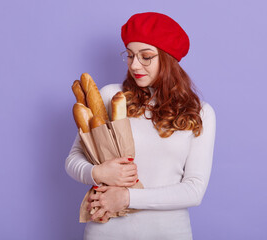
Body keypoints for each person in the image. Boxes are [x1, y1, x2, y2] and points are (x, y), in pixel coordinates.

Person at [65, 12, 216, 240]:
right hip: (105, 232)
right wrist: (97, 172)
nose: (135, 65)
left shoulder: (200, 112)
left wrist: (127, 198)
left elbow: (193, 190)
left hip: (169, 233)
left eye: (146, 57)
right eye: (130, 55)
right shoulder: (110, 96)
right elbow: (73, 159)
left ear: (167, 59)